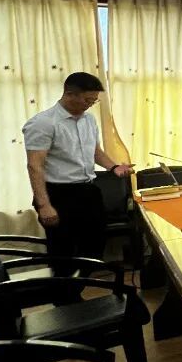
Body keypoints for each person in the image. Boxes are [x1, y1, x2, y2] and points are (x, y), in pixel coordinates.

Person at [22, 72, 134, 261]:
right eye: (87, 100)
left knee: (94, 248)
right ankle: (65, 281)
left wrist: (114, 167)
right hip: (58, 195)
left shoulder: (89, 120)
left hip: (88, 192)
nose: (90, 104)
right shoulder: (43, 123)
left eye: (94, 101)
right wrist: (44, 205)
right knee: (63, 253)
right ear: (69, 94)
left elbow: (95, 151)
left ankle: (82, 279)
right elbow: (35, 166)